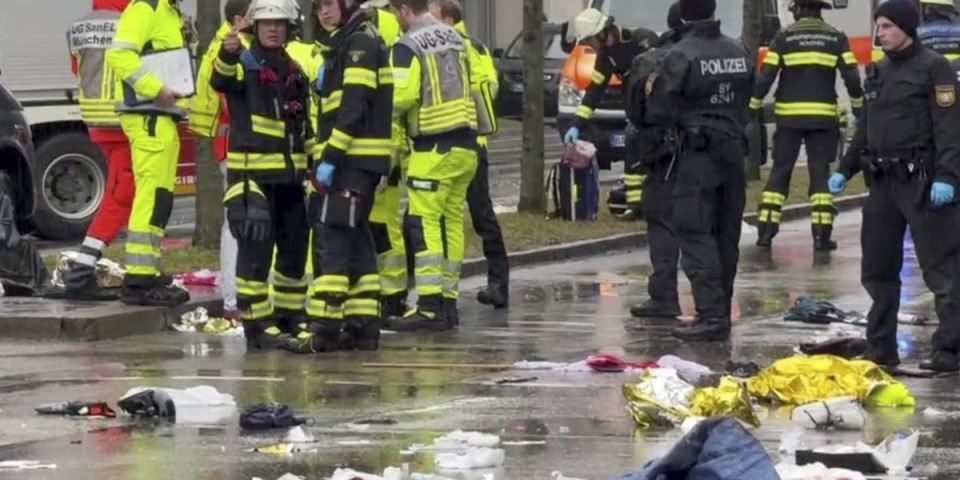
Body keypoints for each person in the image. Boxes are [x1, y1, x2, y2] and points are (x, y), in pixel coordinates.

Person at [829, 0, 960, 372]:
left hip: (922, 180)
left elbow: (950, 130)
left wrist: (947, 177)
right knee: (878, 268)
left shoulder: (936, 69)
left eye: (887, 26)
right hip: (884, 183)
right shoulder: (878, 71)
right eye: (878, 26)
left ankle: (949, 350)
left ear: (906, 27)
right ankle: (881, 346)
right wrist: (845, 169)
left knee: (943, 271)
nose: (880, 33)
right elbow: (865, 129)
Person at [645, 0, 755, 342]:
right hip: (734, 150)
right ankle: (720, 312)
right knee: (726, 232)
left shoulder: (680, 54)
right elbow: (748, 94)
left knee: (694, 230)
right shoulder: (739, 50)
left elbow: (660, 108)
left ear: (683, 16)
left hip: (697, 154)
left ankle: (710, 315)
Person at [212, 0, 314, 353]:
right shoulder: (243, 62)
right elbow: (220, 79)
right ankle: (258, 325)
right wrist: (227, 53)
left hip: (289, 180)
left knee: (294, 251)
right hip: (251, 178)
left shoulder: (294, 69)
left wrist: (314, 165)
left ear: (289, 28)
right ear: (254, 27)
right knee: (256, 253)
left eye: (280, 24)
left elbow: (303, 125)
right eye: (267, 23)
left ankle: (290, 317)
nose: (273, 29)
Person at [383, 0, 478, 331]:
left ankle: (428, 307)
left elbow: (400, 97)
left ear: (405, 10)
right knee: (451, 223)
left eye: (395, 12)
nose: (394, 19)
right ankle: (448, 302)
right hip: (466, 146)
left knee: (423, 225)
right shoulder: (455, 37)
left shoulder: (407, 45)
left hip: (433, 148)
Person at [309, 0, 393, 351]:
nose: (323, 13)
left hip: (350, 161)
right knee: (357, 240)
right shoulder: (350, 40)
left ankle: (325, 330)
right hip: (360, 163)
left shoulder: (359, 42)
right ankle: (363, 325)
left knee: (334, 237)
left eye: (328, 4)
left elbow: (353, 105)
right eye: (316, 8)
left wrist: (330, 156)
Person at [751, 0, 865, 251]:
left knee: (779, 174)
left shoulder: (784, 37)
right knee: (820, 175)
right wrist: (859, 107)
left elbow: (766, 76)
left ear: (798, 10)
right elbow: (852, 78)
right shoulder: (836, 38)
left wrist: (752, 105)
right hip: (823, 120)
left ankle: (766, 233)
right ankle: (821, 236)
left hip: (788, 120)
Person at [106, 0, 191, 306]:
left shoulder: (167, 10)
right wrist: (155, 88)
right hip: (149, 115)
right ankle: (139, 281)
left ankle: (148, 270)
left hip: (159, 116)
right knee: (152, 195)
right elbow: (119, 54)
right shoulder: (146, 7)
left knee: (160, 197)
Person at [429, 0, 507, 314]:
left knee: (479, 214)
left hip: (468, 141)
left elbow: (487, 87)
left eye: (432, 14)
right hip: (458, 141)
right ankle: (462, 287)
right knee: (458, 216)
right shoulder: (444, 44)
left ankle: (498, 283)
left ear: (448, 18)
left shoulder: (469, 47)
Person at [61, 0, 133, 301]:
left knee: (124, 193)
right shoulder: (129, 24)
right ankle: (82, 270)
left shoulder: (78, 26)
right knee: (122, 195)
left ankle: (86, 267)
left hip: (96, 121)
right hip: (124, 119)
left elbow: (77, 69)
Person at [189, 0, 253, 321]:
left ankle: (235, 297)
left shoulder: (221, 42)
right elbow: (232, 99)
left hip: (228, 143)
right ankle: (233, 299)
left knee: (238, 221)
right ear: (240, 19)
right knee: (238, 221)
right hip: (236, 144)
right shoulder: (234, 47)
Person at [624, 1, 684, 319]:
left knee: (662, 224)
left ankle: (664, 296)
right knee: (709, 232)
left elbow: (634, 112)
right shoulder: (727, 52)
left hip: (665, 156)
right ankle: (713, 306)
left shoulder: (648, 61)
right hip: (713, 157)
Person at [358, 0, 411, 323]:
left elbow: (388, 116)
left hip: (382, 157)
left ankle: (392, 295)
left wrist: (384, 164)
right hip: (380, 156)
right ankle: (388, 293)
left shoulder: (381, 45)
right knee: (380, 229)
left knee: (383, 230)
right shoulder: (384, 41)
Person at [561, 7, 657, 182]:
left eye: (590, 40)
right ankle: (635, 207)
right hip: (635, 114)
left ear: (601, 33)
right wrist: (576, 124)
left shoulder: (641, 40)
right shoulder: (605, 57)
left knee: (653, 165)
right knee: (633, 165)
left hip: (655, 114)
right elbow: (594, 91)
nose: (590, 45)